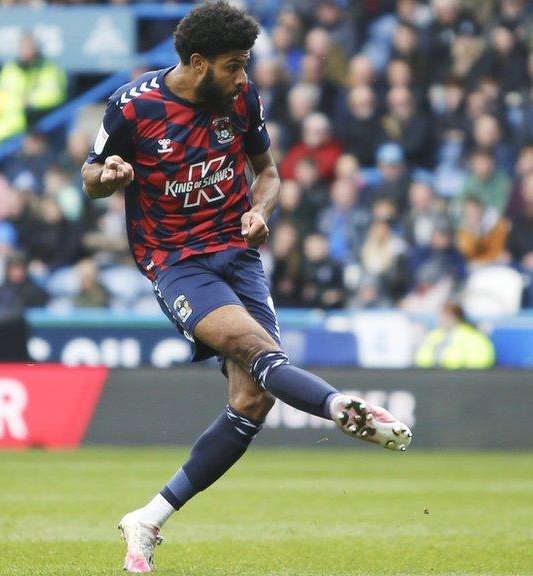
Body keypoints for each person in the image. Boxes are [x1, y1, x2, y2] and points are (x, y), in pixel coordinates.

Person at [79, 3, 412, 572]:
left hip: (239, 256)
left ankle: (148, 519)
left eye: (246, 65)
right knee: (257, 351)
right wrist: (108, 177)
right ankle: (339, 405)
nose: (243, 77)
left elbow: (270, 173)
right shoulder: (134, 107)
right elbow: (89, 177)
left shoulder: (240, 99)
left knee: (252, 399)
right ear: (197, 62)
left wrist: (261, 210)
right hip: (176, 262)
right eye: (234, 66)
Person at [414, 302, 495, 369]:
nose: (443, 319)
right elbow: (421, 359)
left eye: (447, 316)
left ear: (457, 317)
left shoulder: (475, 337)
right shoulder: (433, 335)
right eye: (441, 316)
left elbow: (479, 364)